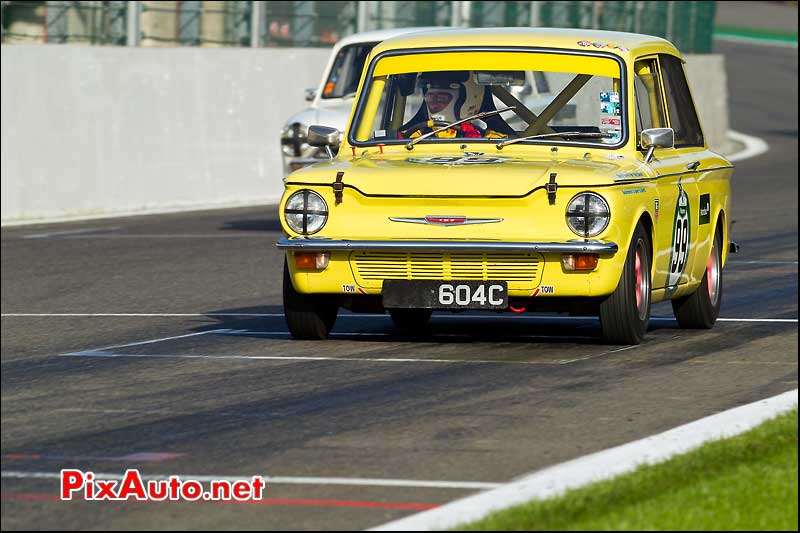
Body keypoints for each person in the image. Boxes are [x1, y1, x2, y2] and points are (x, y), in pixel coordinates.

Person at [400, 71, 508, 139]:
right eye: (431, 97)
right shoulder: (407, 137)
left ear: (471, 97)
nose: (434, 104)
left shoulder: (494, 140)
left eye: (441, 98)